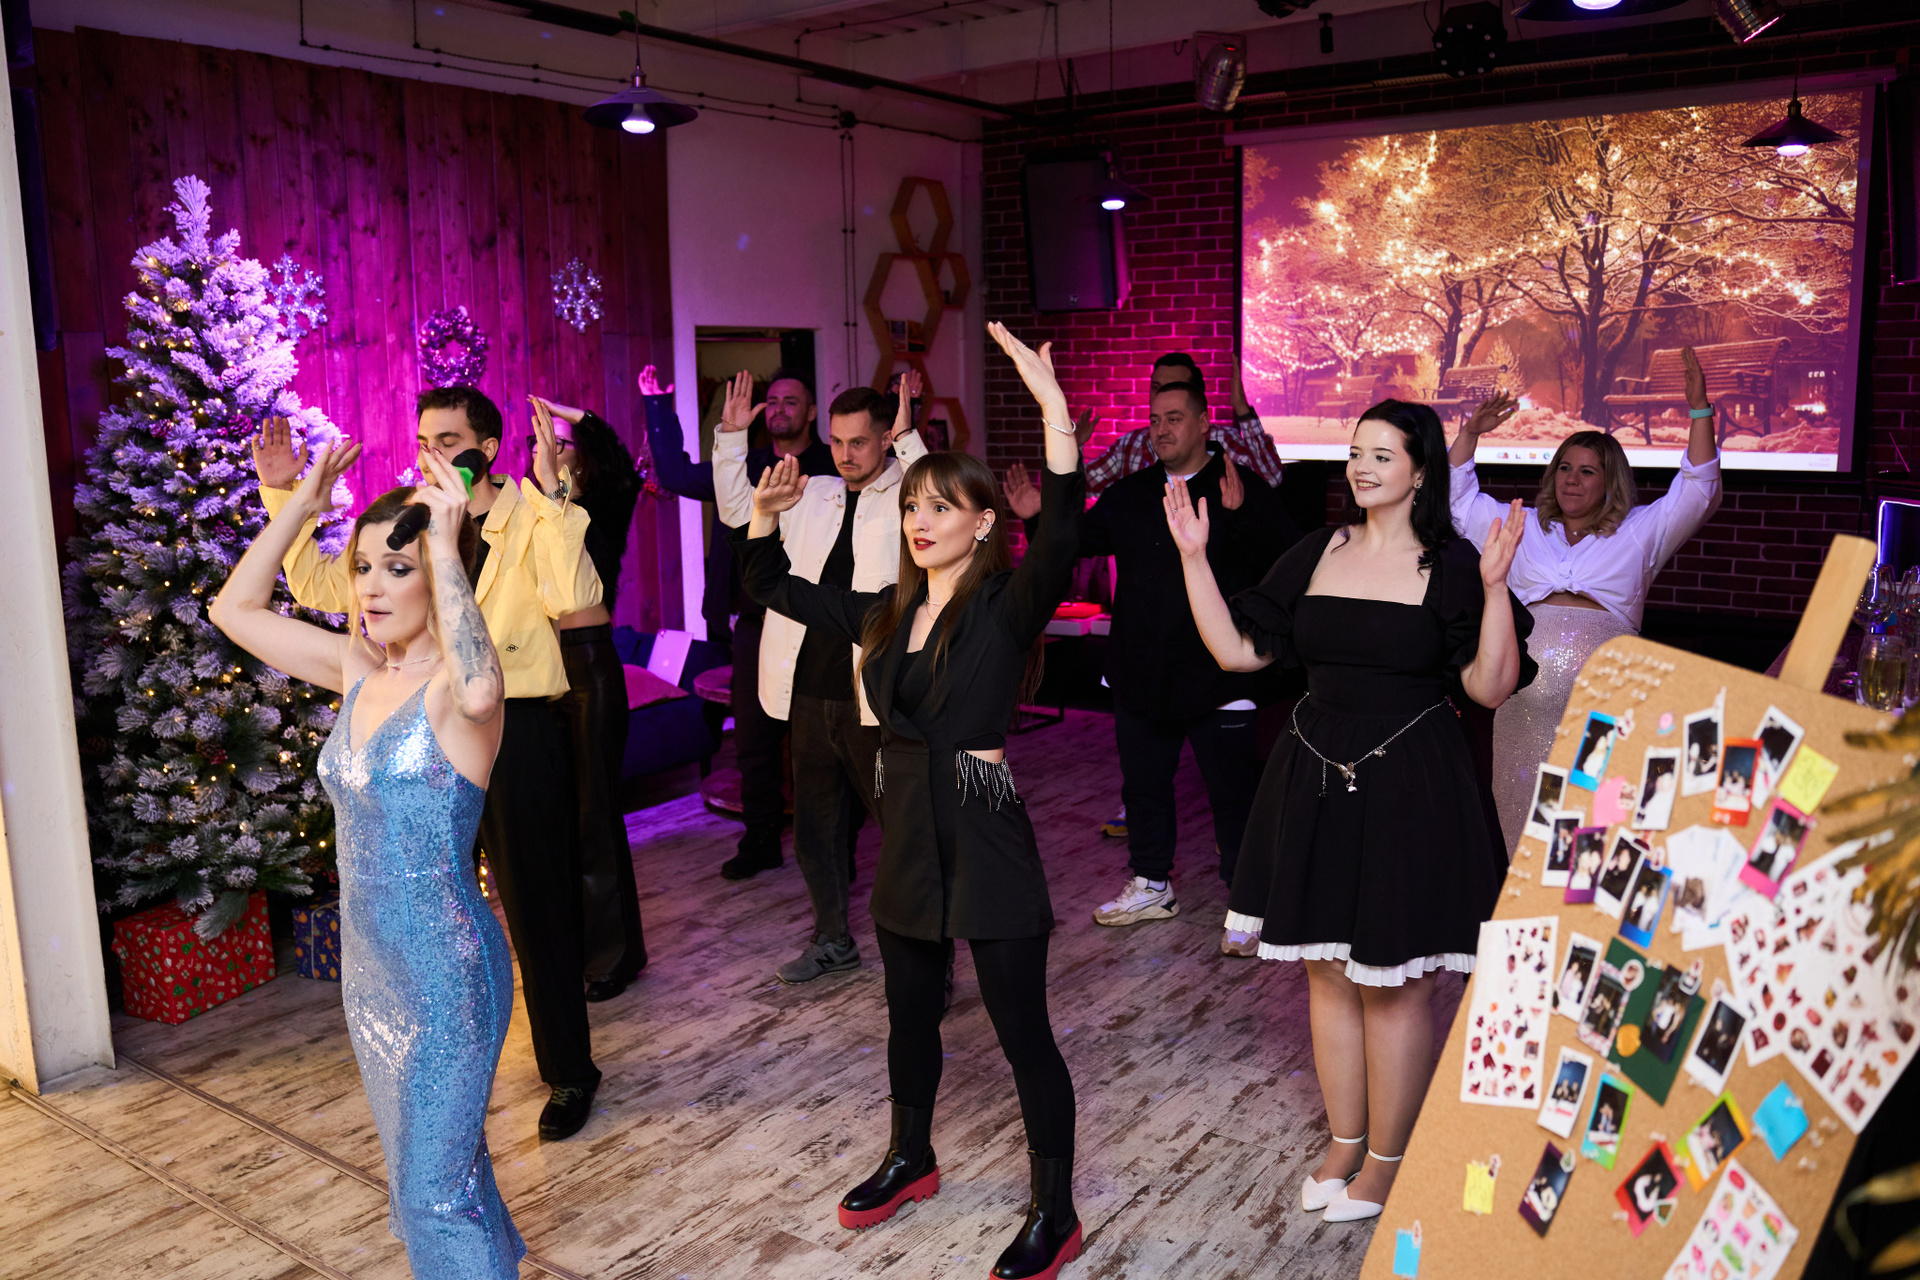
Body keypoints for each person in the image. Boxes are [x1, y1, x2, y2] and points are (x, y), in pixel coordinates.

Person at [733, 323, 1087, 1280]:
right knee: (908, 1014)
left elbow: (1063, 532)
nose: (921, 520)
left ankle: (1054, 1209)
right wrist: (762, 513)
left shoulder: (1005, 606)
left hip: (981, 818)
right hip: (910, 831)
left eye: (941, 507)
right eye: (913, 507)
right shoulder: (884, 612)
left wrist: (1053, 411)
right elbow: (767, 585)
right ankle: (910, 1156)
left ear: (983, 524)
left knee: (1021, 1031)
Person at [1165, 398, 1532, 1224]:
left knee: (1393, 983)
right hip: (1318, 774)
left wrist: (1495, 589)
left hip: (1411, 785)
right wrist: (1194, 558)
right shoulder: (1319, 549)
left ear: (1421, 470)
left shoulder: (1453, 564)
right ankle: (1345, 1143)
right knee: (1326, 971)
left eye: (1381, 455)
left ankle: (1389, 1164)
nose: (1361, 468)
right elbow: (1236, 652)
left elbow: (1489, 688)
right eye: (1356, 453)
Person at [253, 387, 605, 1140]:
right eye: (423, 441)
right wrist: (285, 495)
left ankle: (570, 1073)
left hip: (513, 728)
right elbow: (323, 586)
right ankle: (433, 1062)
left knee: (538, 908)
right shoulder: (405, 525)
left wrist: (554, 496)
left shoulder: (526, 516)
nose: (432, 454)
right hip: (418, 730)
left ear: (488, 448)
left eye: (447, 441)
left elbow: (576, 594)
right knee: (429, 904)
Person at [211, 442, 523, 1278]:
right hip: (371, 975)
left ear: (439, 576)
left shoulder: (457, 695)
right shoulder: (356, 670)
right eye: (362, 568)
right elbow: (233, 609)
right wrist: (297, 504)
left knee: (431, 1193)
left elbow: (484, 688)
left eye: (397, 568)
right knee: (439, 1181)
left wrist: (448, 548)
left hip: (450, 974)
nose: (372, 588)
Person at [1006, 377, 1298, 952]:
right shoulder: (1133, 492)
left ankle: (1249, 902)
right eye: (1155, 420)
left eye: (1174, 418)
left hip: (1219, 676)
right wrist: (1038, 518)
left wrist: (1240, 517)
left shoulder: (1237, 486)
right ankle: (1151, 885)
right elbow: (1076, 542)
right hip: (1141, 670)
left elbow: (1285, 563)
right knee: (1143, 787)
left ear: (1204, 423)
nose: (1161, 430)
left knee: (1233, 797)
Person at [1447, 348, 1721, 848]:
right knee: (1523, 834)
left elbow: (1699, 489)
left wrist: (1700, 409)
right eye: (1565, 468)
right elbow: (1456, 499)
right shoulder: (1521, 524)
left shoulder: (1640, 530)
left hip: (1608, 706)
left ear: (1610, 480)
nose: (1572, 479)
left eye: (1588, 471)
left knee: (1593, 832)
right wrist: (1470, 434)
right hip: (1525, 709)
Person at [713, 370, 928, 984]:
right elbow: (740, 511)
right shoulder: (815, 490)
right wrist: (731, 438)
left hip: (876, 693)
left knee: (904, 829)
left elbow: (943, 495)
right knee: (816, 828)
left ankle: (926, 959)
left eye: (859, 441)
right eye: (837, 441)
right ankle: (832, 939)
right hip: (808, 689)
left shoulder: (909, 490)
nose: (845, 453)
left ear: (884, 438)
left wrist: (909, 437)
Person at [643, 366, 839, 878]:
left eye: (791, 401)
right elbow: (675, 475)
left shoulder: (834, 466)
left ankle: (831, 847)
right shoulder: (743, 466)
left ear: (811, 412)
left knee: (821, 740)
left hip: (819, 622)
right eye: (772, 400)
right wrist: (657, 404)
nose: (779, 408)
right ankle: (761, 839)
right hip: (756, 622)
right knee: (754, 738)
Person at [525, 394, 648, 1002]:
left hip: (590, 662)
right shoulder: (529, 509)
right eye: (538, 442)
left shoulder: (603, 500)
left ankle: (614, 958)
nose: (547, 448)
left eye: (561, 442)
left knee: (596, 811)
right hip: (539, 666)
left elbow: (620, 461)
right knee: (558, 815)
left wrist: (569, 413)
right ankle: (582, 948)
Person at [1083, 354, 1285, 492]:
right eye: (1156, 387)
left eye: (1173, 388)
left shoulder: (1223, 442)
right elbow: (1083, 485)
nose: (1162, 396)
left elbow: (1271, 477)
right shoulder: (1131, 444)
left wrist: (1243, 411)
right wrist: (1070, 447)